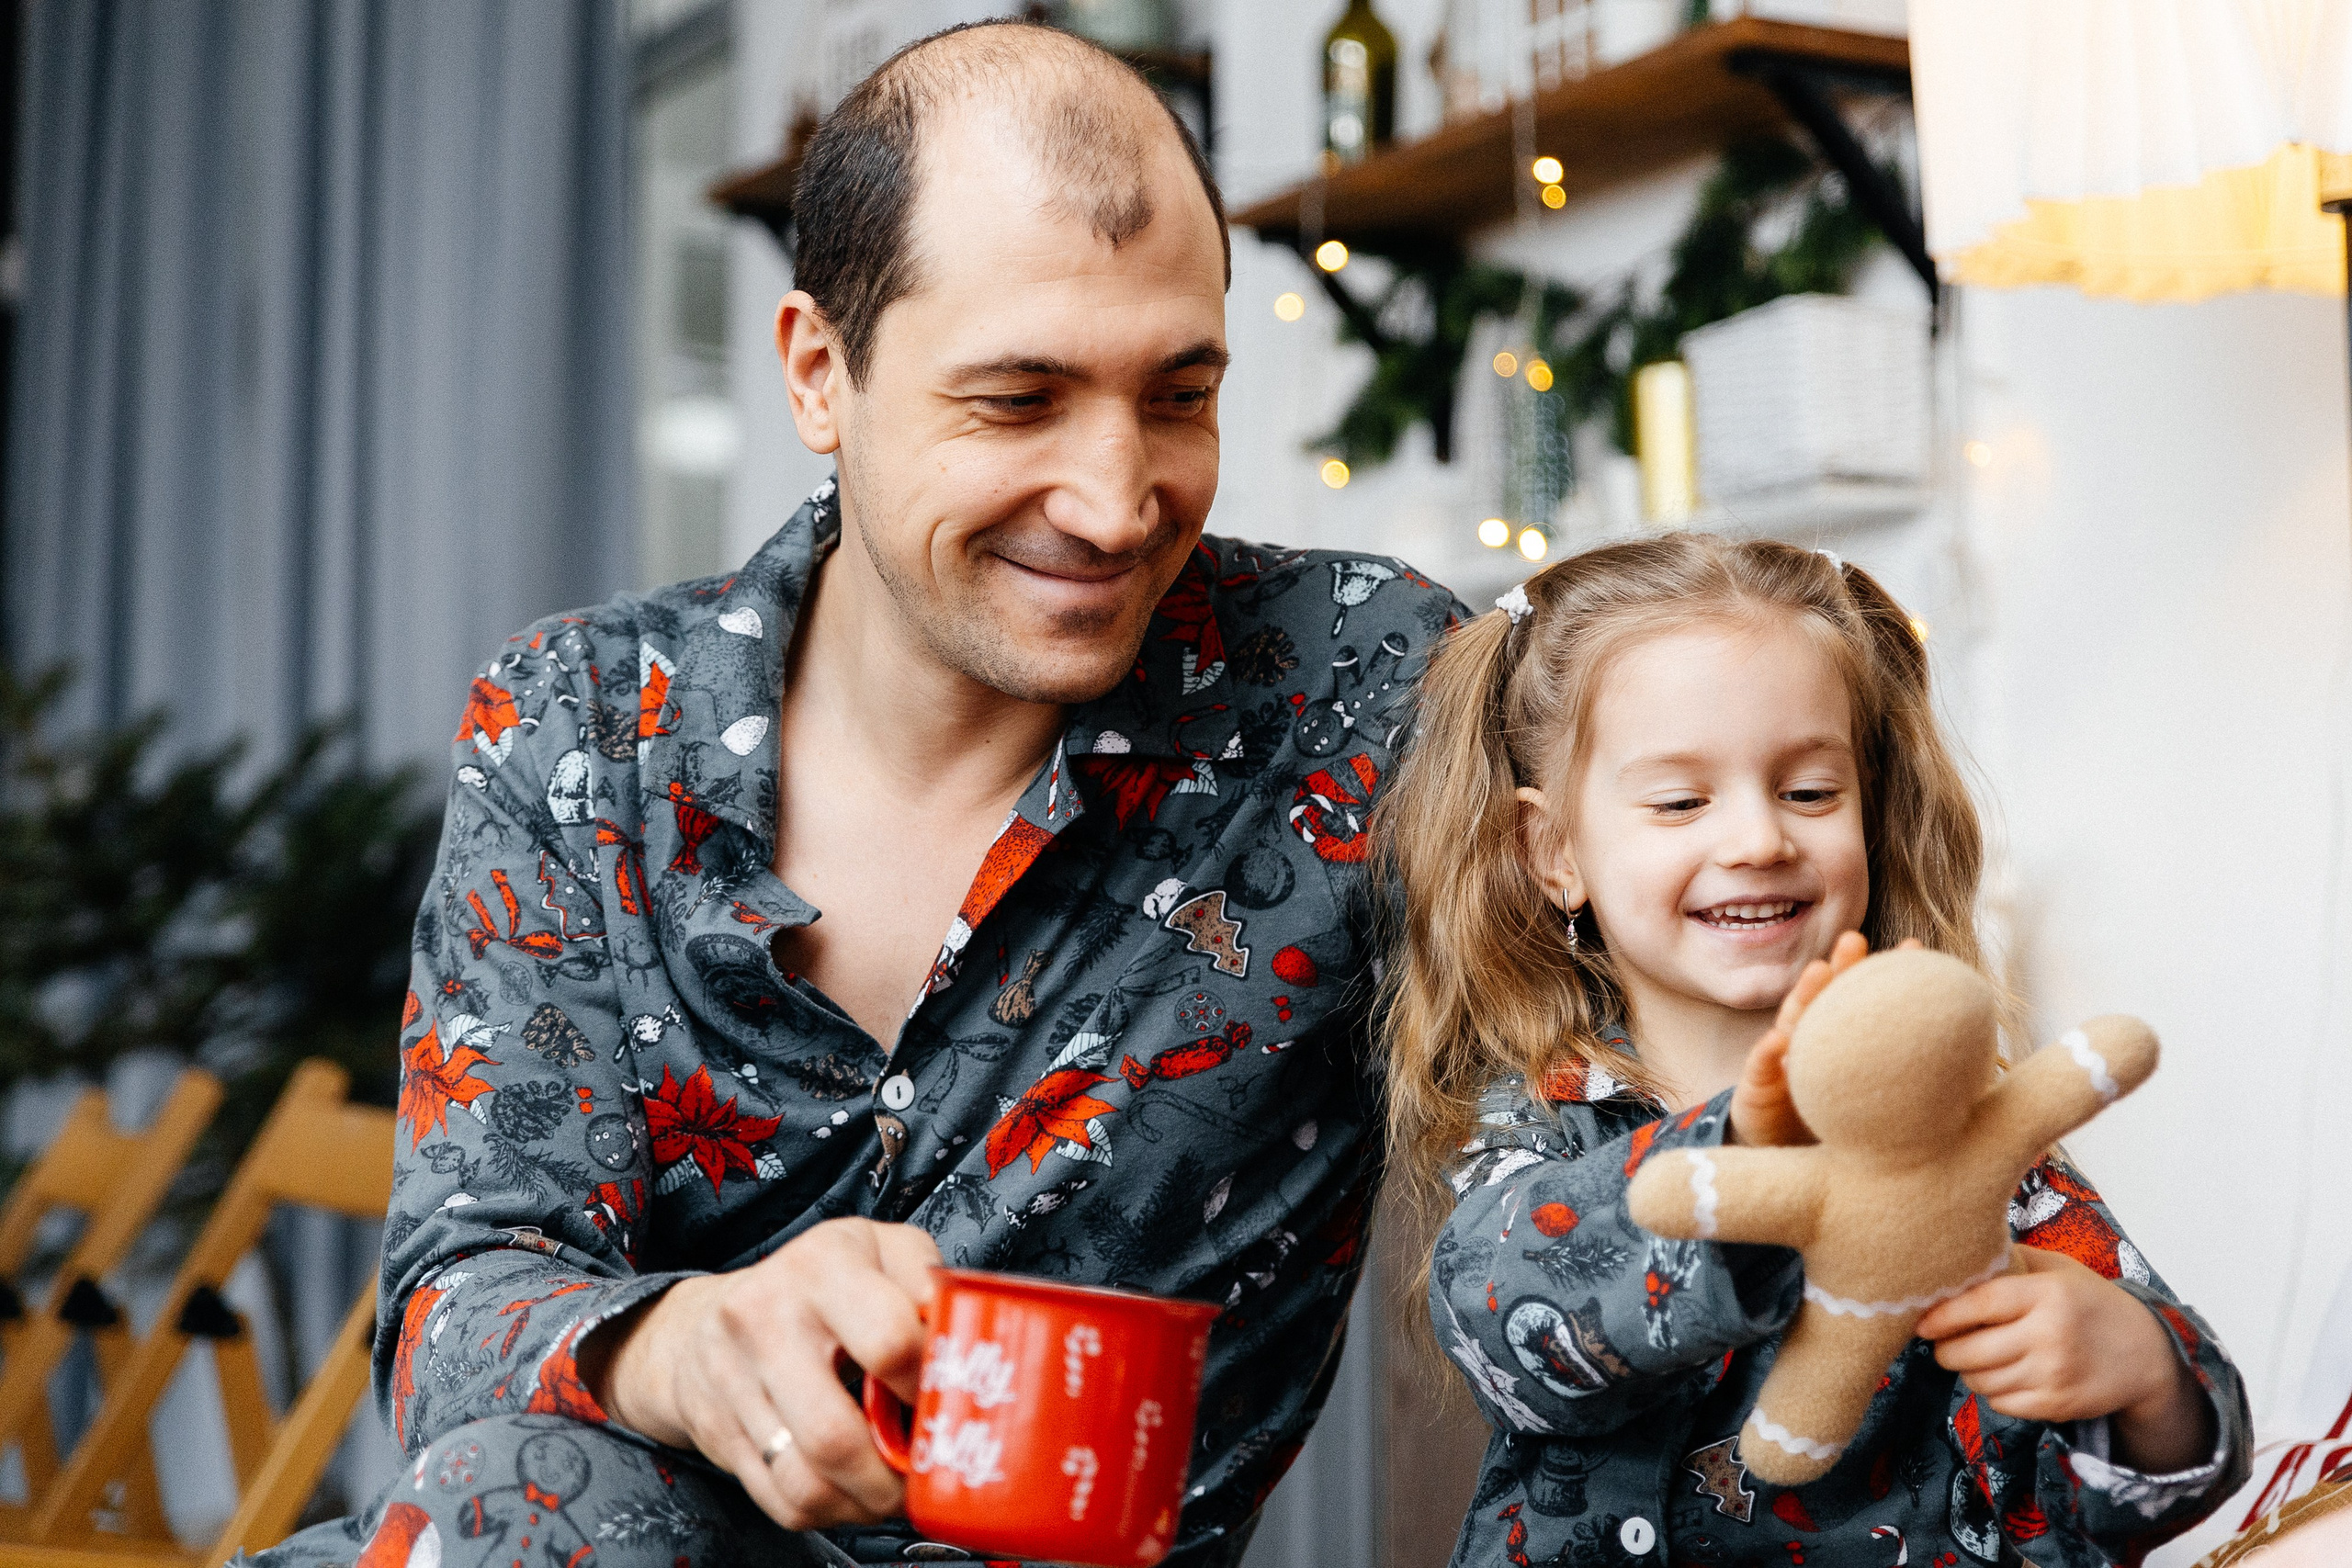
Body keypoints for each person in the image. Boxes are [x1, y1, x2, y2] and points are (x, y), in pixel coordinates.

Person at [256, 19, 1460, 1568]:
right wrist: (688, 1345)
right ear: (821, 372)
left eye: (1180, 393)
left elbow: (1652, 1020)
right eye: (1017, 401)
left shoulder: (1364, 692)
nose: (1116, 499)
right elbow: (456, 1309)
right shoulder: (577, 724)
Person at [1373, 536, 2251, 1566]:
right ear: (1553, 851)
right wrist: (1748, 1136)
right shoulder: (1538, 1118)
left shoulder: (1967, 1124)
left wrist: (2143, 1376)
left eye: (1807, 792)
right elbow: (1506, 1327)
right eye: (1680, 801)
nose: (1756, 839)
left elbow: (2137, 1486)